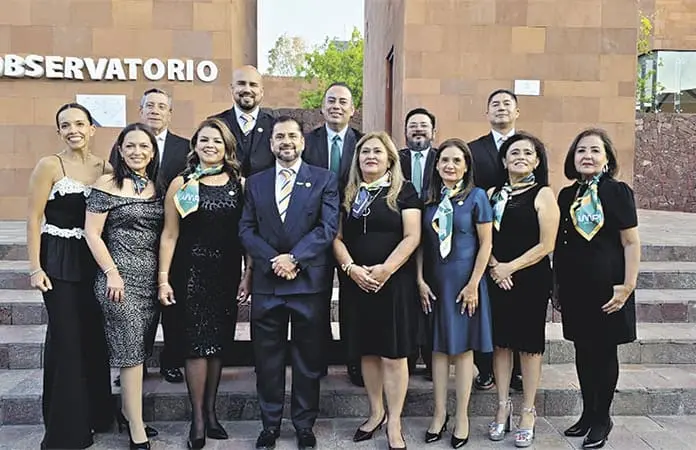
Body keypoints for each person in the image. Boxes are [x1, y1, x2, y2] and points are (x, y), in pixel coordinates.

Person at [239, 116, 338, 450]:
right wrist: (273, 260)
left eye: (292, 136)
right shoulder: (256, 182)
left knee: (308, 360)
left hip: (308, 282)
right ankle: (269, 425)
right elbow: (246, 229)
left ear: (302, 142)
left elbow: (327, 228)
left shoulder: (324, 179)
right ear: (271, 144)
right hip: (269, 283)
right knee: (267, 360)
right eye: (280, 136)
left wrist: (294, 258)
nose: (286, 142)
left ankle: (304, 425)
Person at [158, 118, 249, 449]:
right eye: (204, 140)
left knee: (218, 344)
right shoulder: (181, 183)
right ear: (195, 145)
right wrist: (163, 278)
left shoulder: (240, 183)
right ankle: (197, 418)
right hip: (190, 273)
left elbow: (246, 234)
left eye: (217, 141)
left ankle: (211, 413)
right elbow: (169, 234)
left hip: (226, 272)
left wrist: (248, 274)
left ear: (227, 147)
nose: (210, 146)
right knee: (196, 345)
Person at [26, 103, 113, 449]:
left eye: (79, 123)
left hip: (92, 261)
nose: (73, 130)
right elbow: (33, 218)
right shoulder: (49, 165)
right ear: (59, 131)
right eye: (65, 125)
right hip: (57, 260)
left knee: (92, 337)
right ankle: (67, 430)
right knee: (66, 340)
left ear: (92, 128)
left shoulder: (106, 168)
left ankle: (97, 415)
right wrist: (35, 267)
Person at [333, 132, 421, 450]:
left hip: (393, 282)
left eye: (377, 152)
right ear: (357, 159)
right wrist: (351, 269)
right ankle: (375, 412)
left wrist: (386, 269)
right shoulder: (348, 192)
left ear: (390, 159)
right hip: (356, 282)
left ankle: (394, 421)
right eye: (365, 151)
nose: (371, 156)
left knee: (393, 354)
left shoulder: (405, 191)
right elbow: (336, 238)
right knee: (367, 350)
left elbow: (412, 236)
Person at [554, 129, 640, 449]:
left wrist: (627, 286)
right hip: (575, 288)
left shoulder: (617, 192)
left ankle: (602, 418)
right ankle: (588, 413)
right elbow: (561, 244)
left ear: (607, 158)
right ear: (573, 158)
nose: (587, 156)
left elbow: (630, 242)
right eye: (581, 150)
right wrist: (557, 286)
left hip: (609, 288)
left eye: (594, 150)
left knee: (603, 352)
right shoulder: (567, 195)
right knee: (583, 350)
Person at [85, 123, 163, 449]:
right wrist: (112, 273)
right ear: (119, 149)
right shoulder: (107, 183)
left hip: (150, 282)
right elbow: (92, 234)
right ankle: (137, 430)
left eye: (144, 146)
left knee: (140, 351)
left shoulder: (157, 187)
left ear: (153, 152)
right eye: (130, 146)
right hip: (118, 281)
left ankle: (129, 413)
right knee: (130, 354)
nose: (137, 152)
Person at [109, 88, 189, 386]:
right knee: (138, 310)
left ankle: (172, 361)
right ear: (140, 110)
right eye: (149, 105)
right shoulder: (124, 145)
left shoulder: (185, 147)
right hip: (134, 240)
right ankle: (135, 364)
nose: (155, 110)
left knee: (172, 304)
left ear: (170, 112)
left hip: (174, 237)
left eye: (161, 106)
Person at [418, 138, 493, 448]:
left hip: (465, 284)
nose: (450, 165)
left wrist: (474, 283)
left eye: (456, 160)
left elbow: (486, 244)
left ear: (466, 166)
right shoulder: (428, 200)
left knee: (462, 351)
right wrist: (419, 280)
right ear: (436, 166)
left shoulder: (477, 197)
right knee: (437, 349)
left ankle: (462, 416)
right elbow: (421, 244)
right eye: (444, 160)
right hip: (435, 283)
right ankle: (439, 413)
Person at [486, 132, 559, 448]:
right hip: (495, 277)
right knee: (501, 343)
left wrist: (509, 267)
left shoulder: (543, 194)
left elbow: (547, 244)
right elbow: (481, 237)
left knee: (528, 346)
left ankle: (528, 410)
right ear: (504, 160)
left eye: (528, 153)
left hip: (530, 278)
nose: (520, 157)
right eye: (514, 152)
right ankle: (503, 406)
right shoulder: (492, 193)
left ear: (537, 161)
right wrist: (494, 267)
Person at [302, 82, 364, 386]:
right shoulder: (307, 142)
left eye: (342, 101)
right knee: (316, 297)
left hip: (354, 233)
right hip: (314, 230)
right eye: (331, 101)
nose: (336, 106)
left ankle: (355, 361)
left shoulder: (364, 143)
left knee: (353, 301)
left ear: (353, 110)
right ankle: (318, 358)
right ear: (322, 107)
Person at [468, 88, 524, 392]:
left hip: (519, 241)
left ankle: (517, 370)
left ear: (517, 112)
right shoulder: (474, 150)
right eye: (495, 104)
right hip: (483, 239)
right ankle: (485, 368)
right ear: (487, 113)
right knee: (485, 308)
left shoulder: (527, 147)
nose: (501, 108)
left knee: (516, 308)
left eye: (507, 104)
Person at [399, 107, 438, 380]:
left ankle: (433, 359)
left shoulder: (443, 158)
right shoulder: (394, 159)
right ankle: (409, 356)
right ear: (405, 131)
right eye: (413, 125)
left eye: (423, 125)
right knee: (407, 300)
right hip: (401, 237)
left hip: (436, 239)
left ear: (433, 132)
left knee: (432, 299)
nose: (418, 129)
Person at [210, 65, 275, 176]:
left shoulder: (274, 126)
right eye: (241, 84)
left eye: (253, 85)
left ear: (261, 91)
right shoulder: (215, 124)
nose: (247, 89)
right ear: (232, 88)